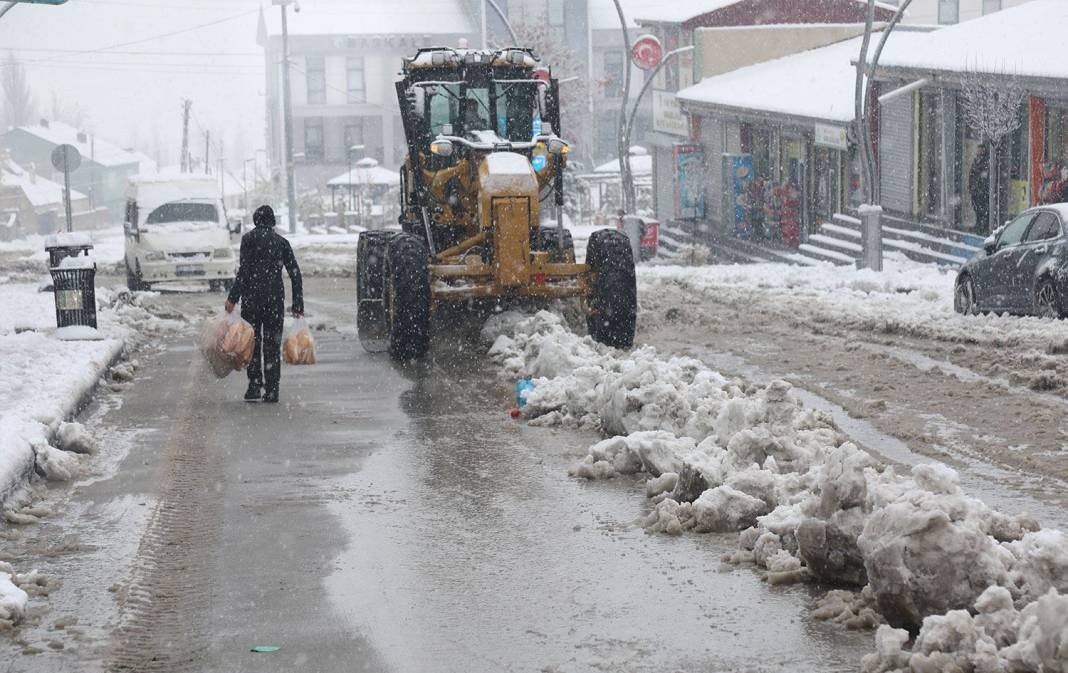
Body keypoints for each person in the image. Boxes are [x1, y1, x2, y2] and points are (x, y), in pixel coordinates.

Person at [224, 205, 303, 403]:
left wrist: (233, 298)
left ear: (256, 220)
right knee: (272, 345)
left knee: (252, 343)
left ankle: (254, 385)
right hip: (274, 301)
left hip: (252, 301)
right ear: (272, 221)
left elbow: (244, 271)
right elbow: (295, 273)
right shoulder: (281, 242)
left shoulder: (248, 240)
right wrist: (297, 304)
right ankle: (272, 389)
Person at [969, 145, 990, 234]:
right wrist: (970, 186)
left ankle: (983, 226)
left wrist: (982, 188)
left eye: (980, 150)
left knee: (983, 209)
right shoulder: (975, 161)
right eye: (978, 150)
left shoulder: (986, 161)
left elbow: (984, 175)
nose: (978, 152)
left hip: (982, 190)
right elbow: (971, 174)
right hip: (975, 190)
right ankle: (978, 224)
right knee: (976, 208)